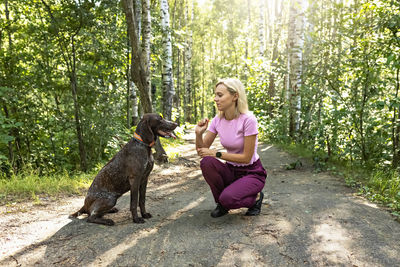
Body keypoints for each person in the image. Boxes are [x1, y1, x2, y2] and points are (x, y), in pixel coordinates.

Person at [195, 78, 267, 218]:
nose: (215, 99)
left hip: (251, 172)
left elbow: (246, 158)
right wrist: (199, 133)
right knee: (206, 162)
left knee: (228, 198)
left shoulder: (248, 120)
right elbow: (202, 151)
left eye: (220, 95)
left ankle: (256, 199)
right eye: (215, 95)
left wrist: (217, 153)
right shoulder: (217, 120)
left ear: (235, 96)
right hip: (231, 170)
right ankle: (222, 204)